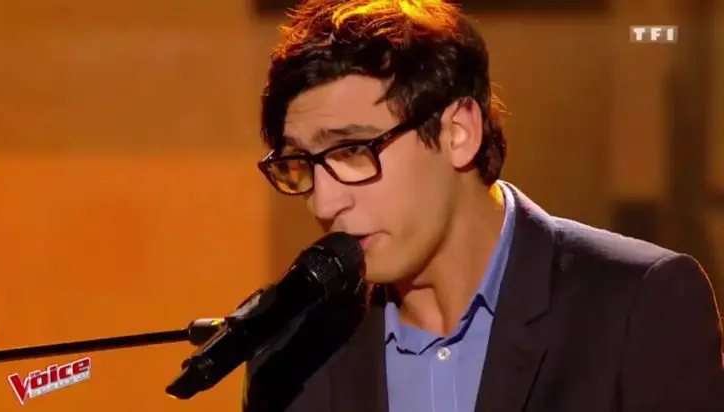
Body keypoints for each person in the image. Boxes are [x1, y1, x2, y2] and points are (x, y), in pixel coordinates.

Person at [243, 1, 724, 411]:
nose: (324, 202)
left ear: (458, 133)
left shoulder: (639, 304)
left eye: (352, 151)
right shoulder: (291, 351)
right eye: (301, 163)